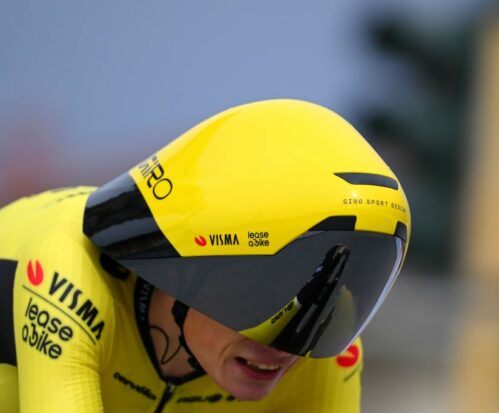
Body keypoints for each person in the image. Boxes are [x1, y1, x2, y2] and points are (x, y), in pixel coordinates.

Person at [0, 99, 410, 412]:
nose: (288, 346)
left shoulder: (320, 350)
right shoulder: (73, 270)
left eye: (324, 305)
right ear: (182, 271)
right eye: (266, 295)